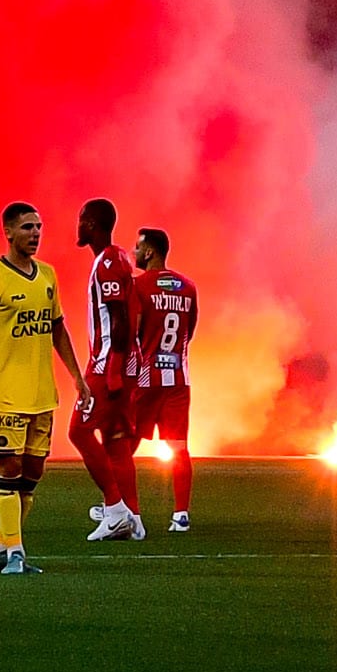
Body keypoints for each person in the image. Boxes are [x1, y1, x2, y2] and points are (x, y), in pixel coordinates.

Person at [0, 202, 90, 575]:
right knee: (8, 469)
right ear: (8, 233)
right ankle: (16, 552)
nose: (35, 234)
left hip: (41, 395)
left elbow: (57, 330)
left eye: (38, 227)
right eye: (27, 228)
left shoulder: (48, 276)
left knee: (31, 478)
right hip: (5, 395)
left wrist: (77, 378)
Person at [74, 199, 145, 542]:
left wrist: (113, 370)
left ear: (90, 224)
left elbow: (117, 318)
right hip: (123, 363)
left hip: (106, 366)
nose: (78, 226)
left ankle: (115, 508)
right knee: (116, 443)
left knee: (78, 432)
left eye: (81, 220)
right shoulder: (119, 258)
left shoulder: (107, 264)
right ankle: (134, 517)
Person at [129, 227, 199, 532]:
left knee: (123, 446)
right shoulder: (188, 286)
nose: (133, 253)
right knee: (179, 448)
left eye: (137, 247)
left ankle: (120, 508)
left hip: (146, 380)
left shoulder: (138, 286)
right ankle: (180, 514)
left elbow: (133, 332)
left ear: (149, 252)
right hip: (178, 381)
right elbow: (189, 332)